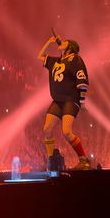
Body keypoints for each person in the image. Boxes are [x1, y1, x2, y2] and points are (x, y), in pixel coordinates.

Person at [37, 35, 91, 170]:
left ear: (71, 47)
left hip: (70, 99)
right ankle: (50, 162)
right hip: (57, 100)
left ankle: (84, 161)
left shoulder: (75, 59)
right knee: (46, 129)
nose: (62, 41)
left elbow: (82, 81)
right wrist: (49, 42)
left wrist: (82, 102)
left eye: (65, 41)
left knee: (66, 131)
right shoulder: (57, 61)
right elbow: (40, 56)